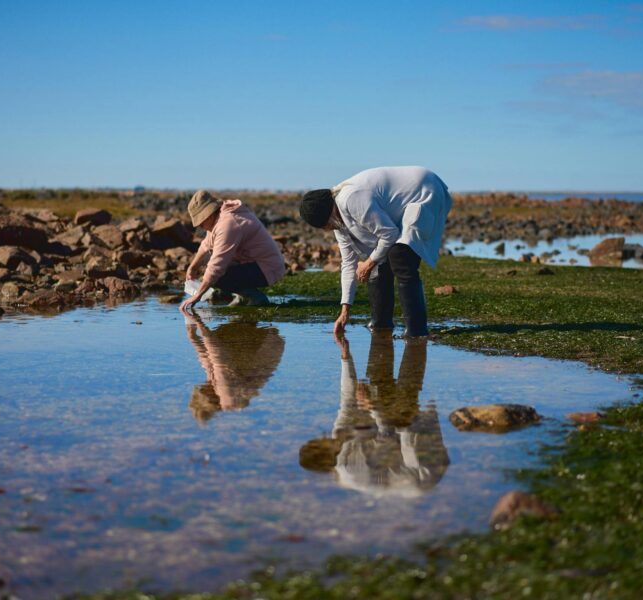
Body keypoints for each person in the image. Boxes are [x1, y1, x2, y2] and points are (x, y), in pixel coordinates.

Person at [299, 166, 452, 337]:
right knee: (379, 261)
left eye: (323, 226)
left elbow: (389, 234)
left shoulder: (351, 199)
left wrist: (368, 263)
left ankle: (417, 331)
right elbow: (348, 264)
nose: (326, 230)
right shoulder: (337, 222)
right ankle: (381, 324)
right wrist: (345, 311)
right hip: (400, 206)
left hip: (423, 189)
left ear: (326, 216)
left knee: (400, 255)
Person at [298, 332, 449, 497]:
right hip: (423, 474)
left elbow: (347, 400)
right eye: (323, 441)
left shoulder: (340, 445)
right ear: (326, 456)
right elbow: (387, 436)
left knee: (389, 414)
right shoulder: (347, 467)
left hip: (412, 465)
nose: (326, 436)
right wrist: (372, 406)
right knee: (399, 419)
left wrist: (345, 357)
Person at [180, 190, 286, 312]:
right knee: (214, 270)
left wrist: (197, 296)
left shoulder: (228, 224)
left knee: (219, 276)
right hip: (253, 262)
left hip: (267, 267)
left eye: (201, 222)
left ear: (209, 214)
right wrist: (193, 267)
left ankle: (254, 297)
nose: (200, 226)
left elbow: (216, 267)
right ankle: (243, 297)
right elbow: (206, 244)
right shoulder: (220, 217)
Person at [185, 313, 285, 423]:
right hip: (268, 340)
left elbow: (211, 361)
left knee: (217, 341)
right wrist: (200, 325)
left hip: (267, 341)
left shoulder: (222, 392)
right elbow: (217, 357)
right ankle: (247, 317)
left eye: (201, 388)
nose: (203, 386)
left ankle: (246, 317)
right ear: (208, 396)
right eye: (202, 389)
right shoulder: (228, 394)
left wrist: (193, 336)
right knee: (217, 342)